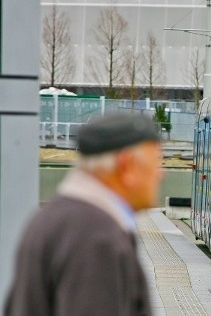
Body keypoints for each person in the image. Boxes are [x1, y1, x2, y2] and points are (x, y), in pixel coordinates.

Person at [4, 113, 164, 316]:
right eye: (155, 163)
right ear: (127, 166)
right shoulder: (98, 239)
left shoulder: (51, 217)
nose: (160, 174)